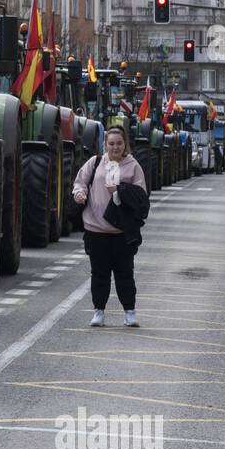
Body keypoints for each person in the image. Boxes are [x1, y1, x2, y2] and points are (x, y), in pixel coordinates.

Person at [73, 127, 147, 327]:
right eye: (111, 143)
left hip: (122, 231)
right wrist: (79, 194)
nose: (115, 147)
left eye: (119, 143)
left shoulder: (133, 166)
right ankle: (99, 311)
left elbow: (141, 196)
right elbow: (79, 182)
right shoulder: (95, 162)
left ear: (125, 145)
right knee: (99, 273)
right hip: (95, 229)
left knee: (124, 274)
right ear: (105, 145)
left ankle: (129, 312)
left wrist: (121, 190)